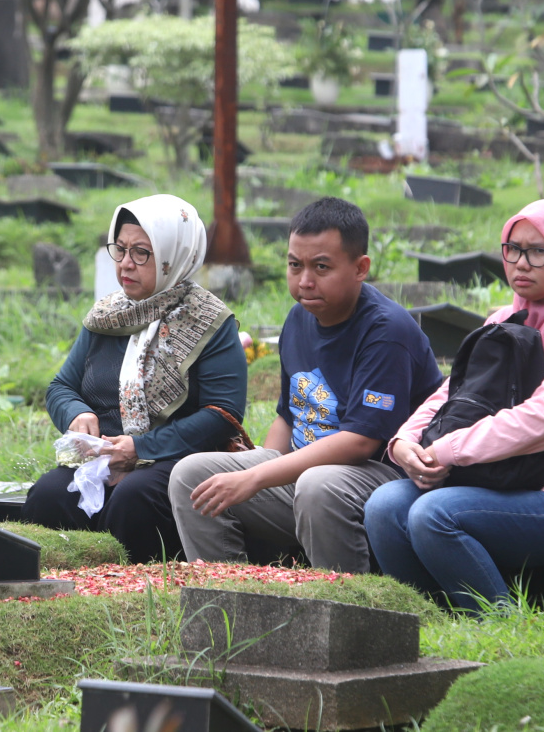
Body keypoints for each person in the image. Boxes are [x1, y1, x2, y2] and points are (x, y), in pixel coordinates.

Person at [363, 198, 544, 613]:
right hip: (492, 478)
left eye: (539, 251)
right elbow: (452, 395)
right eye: (513, 248)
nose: (521, 263)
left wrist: (449, 449)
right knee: (383, 507)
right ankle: (431, 623)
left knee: (433, 514)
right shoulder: (504, 319)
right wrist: (405, 441)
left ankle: (497, 623)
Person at [168, 196, 443, 573]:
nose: (305, 281)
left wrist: (255, 477)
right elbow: (290, 414)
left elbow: (360, 442)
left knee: (318, 486)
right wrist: (258, 462)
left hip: (382, 477)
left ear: (360, 268)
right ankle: (227, 592)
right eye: (295, 265)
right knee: (191, 476)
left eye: (321, 267)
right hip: (310, 470)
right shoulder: (299, 318)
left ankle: (342, 599)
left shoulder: (387, 332)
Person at [20, 194, 247, 563]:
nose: (126, 263)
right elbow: (61, 387)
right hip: (104, 456)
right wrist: (77, 413)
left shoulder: (208, 322)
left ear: (175, 256)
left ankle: (139, 590)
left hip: (175, 459)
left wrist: (141, 448)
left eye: (142, 252)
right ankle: (62, 591)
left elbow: (223, 414)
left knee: (134, 499)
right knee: (48, 496)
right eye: (121, 249)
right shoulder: (107, 316)